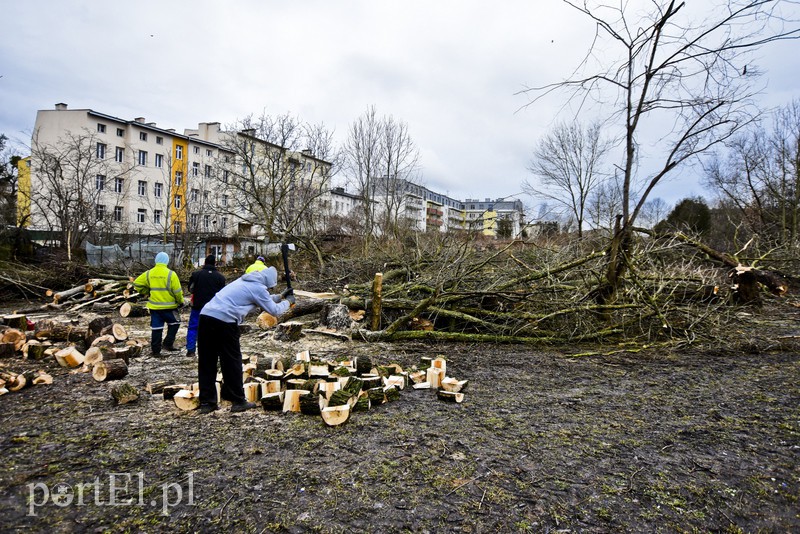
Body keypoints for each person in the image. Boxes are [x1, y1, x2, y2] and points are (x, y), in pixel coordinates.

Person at [197, 266, 295, 413]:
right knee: (231, 361)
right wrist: (288, 302)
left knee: (207, 360)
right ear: (268, 283)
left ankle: (207, 403)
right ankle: (238, 401)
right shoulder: (258, 288)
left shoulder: (244, 281)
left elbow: (262, 300)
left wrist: (281, 296)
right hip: (224, 321)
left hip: (206, 317)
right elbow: (273, 310)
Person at [133, 252, 184, 356]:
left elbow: (137, 283)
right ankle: (168, 344)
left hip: (155, 307)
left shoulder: (149, 273)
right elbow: (177, 291)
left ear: (156, 260)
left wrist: (146, 291)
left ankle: (156, 351)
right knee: (175, 324)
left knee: (156, 329)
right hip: (170, 307)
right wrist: (180, 301)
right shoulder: (171, 274)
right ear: (167, 261)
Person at [185, 254, 226, 358]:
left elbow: (191, 289)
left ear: (205, 263)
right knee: (213, 329)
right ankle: (211, 350)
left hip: (198, 306)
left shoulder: (196, 274)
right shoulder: (220, 277)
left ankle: (191, 350)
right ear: (215, 263)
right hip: (214, 308)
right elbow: (223, 293)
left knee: (193, 328)